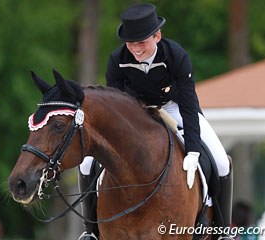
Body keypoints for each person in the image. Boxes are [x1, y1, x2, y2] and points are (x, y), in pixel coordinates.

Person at [78, 3, 233, 240]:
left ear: (157, 35)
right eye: (131, 43)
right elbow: (115, 111)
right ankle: (91, 232)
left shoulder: (176, 56)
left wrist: (192, 151)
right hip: (135, 114)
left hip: (176, 107)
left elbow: (190, 106)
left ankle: (222, 232)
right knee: (86, 164)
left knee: (221, 162)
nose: (136, 49)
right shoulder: (117, 59)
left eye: (141, 42)